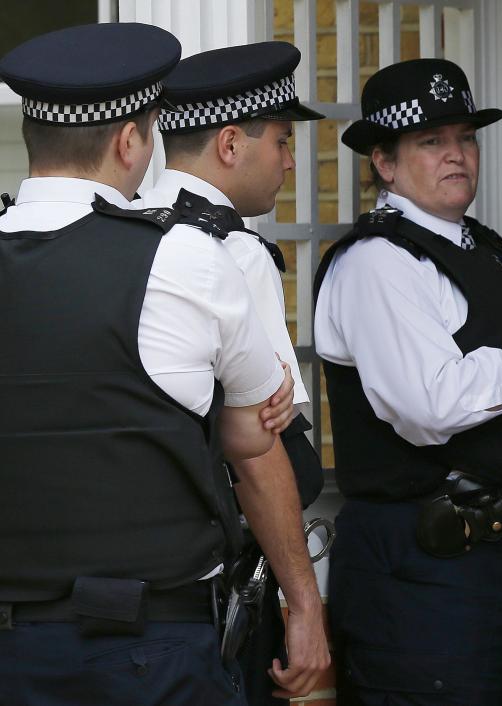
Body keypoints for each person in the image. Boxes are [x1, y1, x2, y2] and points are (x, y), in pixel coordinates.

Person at [0, 23, 317, 706]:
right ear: (128, 141)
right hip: (153, 648)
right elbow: (256, 449)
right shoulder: (185, 257)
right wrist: (305, 606)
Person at [313, 58, 502, 705]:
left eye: (465, 137)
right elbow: (428, 403)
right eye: (431, 141)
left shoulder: (484, 247)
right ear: (384, 162)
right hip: (427, 573)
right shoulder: (378, 261)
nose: (456, 155)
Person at [135, 42, 329, 705]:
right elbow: (267, 438)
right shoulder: (231, 249)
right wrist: (304, 606)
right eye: (280, 139)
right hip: (225, 576)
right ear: (228, 144)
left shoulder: (127, 228)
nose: (288, 159)